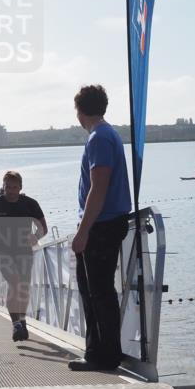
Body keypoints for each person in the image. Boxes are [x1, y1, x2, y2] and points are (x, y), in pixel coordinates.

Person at [69, 85, 133, 371]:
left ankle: (102, 356)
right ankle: (102, 352)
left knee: (97, 292)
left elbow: (99, 187)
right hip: (106, 222)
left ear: (80, 111)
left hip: (102, 225)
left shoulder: (98, 138)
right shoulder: (108, 135)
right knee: (97, 291)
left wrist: (83, 231)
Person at [0, 171, 47, 342]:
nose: (11, 191)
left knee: (23, 288)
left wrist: (36, 236)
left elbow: (43, 227)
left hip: (24, 251)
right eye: (8, 187)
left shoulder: (30, 204)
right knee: (14, 283)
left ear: (21, 188)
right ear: (3, 186)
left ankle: (22, 320)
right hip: (2, 251)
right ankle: (16, 324)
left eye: (15, 188)